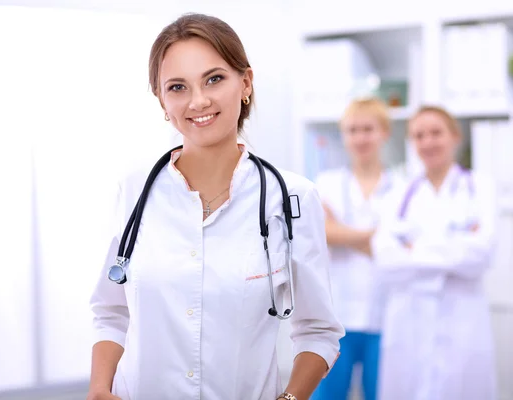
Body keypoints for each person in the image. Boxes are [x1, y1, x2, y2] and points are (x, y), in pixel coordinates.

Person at [86, 13, 344, 400]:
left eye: (214, 78)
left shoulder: (291, 197)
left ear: (246, 83)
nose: (198, 100)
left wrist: (291, 398)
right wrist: (98, 389)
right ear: (162, 101)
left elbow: (318, 330)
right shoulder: (134, 190)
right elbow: (111, 312)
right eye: (177, 87)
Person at [371, 105, 497, 400]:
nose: (428, 142)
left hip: (463, 318)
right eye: (419, 135)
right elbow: (386, 257)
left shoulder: (480, 188)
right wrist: (451, 248)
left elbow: (481, 255)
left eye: (436, 133)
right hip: (409, 319)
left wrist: (414, 249)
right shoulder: (397, 192)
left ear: (455, 136)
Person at [311, 98, 402, 400]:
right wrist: (380, 239)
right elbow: (319, 232)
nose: (360, 138)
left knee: (384, 393)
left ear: (384, 132)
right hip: (337, 317)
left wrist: (341, 233)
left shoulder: (403, 188)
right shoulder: (325, 184)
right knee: (329, 395)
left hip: (387, 315)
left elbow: (408, 249)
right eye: (352, 130)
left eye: (368, 129)